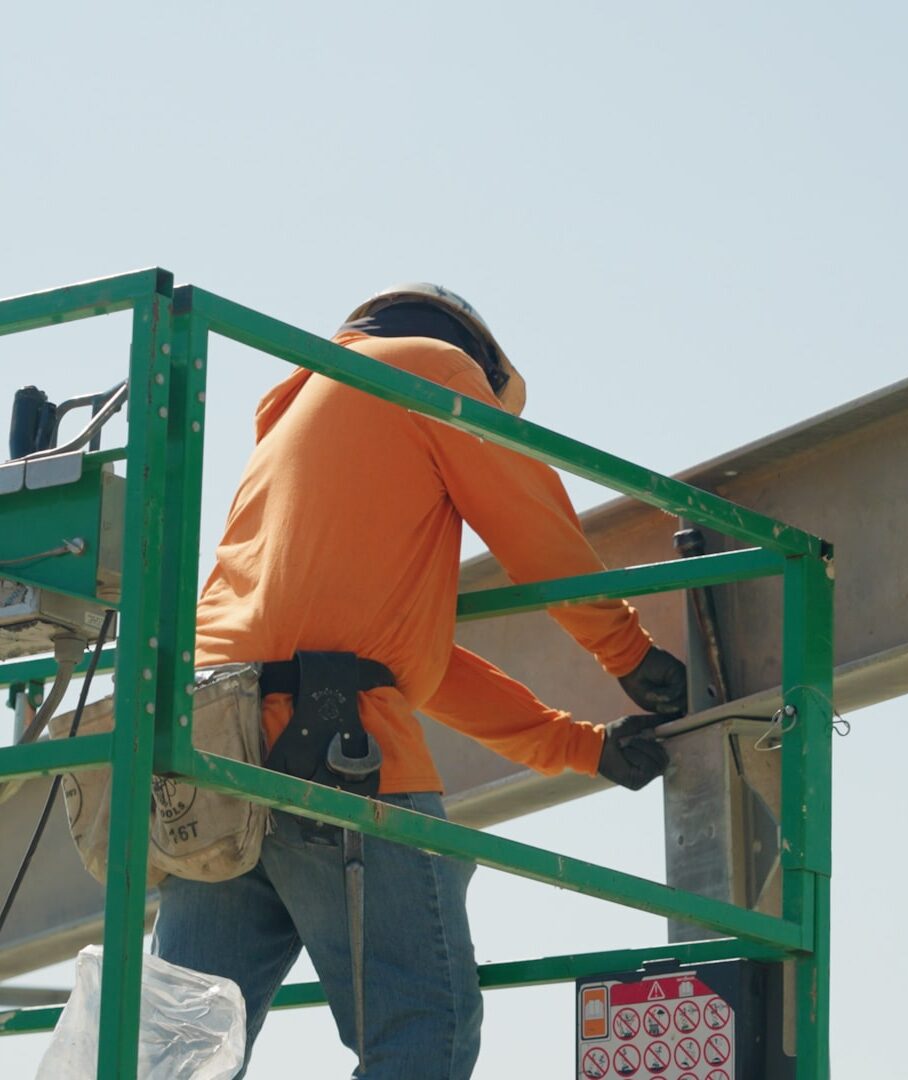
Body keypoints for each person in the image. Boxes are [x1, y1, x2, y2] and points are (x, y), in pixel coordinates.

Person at [152, 283, 687, 1078]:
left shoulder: (294, 424)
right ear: (483, 367)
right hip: (335, 757)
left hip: (211, 760)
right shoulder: (427, 371)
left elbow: (407, 665)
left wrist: (580, 747)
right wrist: (629, 655)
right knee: (421, 1031)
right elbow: (534, 529)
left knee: (175, 1049)